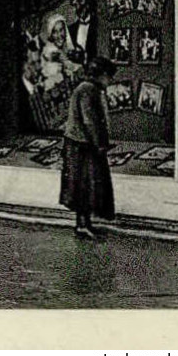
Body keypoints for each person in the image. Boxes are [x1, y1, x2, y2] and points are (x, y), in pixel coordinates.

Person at [60, 56, 117, 239]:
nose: (110, 81)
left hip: (82, 144)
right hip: (82, 146)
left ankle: (85, 223)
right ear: (100, 75)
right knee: (84, 186)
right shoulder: (88, 90)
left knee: (85, 186)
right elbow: (89, 120)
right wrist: (99, 144)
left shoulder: (89, 88)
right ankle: (82, 225)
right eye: (109, 77)